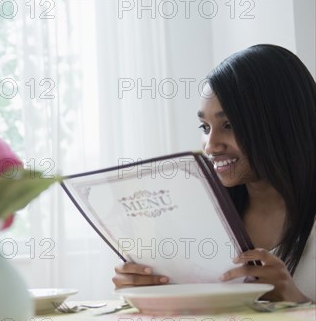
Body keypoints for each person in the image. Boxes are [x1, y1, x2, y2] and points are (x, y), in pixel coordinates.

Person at [112, 44, 316, 302]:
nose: (211, 146)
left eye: (228, 125)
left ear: (279, 123)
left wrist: (296, 300)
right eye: (205, 127)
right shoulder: (200, 220)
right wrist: (147, 290)